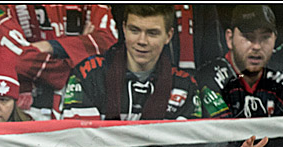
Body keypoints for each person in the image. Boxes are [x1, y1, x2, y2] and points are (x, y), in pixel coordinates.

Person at [62, 5, 201, 120]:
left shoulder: (185, 86)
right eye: (134, 30)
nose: (142, 41)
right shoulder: (88, 75)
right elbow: (81, 143)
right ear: (124, 28)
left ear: (168, 36)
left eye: (152, 33)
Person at [0, 4, 118, 119]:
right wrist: (78, 53)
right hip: (22, 110)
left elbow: (109, 42)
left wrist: (49, 46)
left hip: (77, 105)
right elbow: (14, 59)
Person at [196, 5, 283, 118]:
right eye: (248, 37)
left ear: (275, 39)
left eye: (265, 37)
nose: (257, 46)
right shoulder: (208, 81)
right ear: (229, 39)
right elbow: (223, 133)